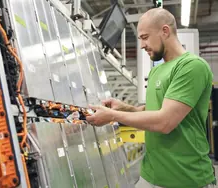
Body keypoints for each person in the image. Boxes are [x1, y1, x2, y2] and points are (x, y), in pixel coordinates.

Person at [86, 8, 216, 188]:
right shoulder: (156, 70)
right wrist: (124, 108)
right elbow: (153, 110)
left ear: (165, 31)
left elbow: (165, 122)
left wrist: (112, 116)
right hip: (150, 175)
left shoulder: (191, 66)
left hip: (186, 178)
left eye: (145, 37)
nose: (141, 45)